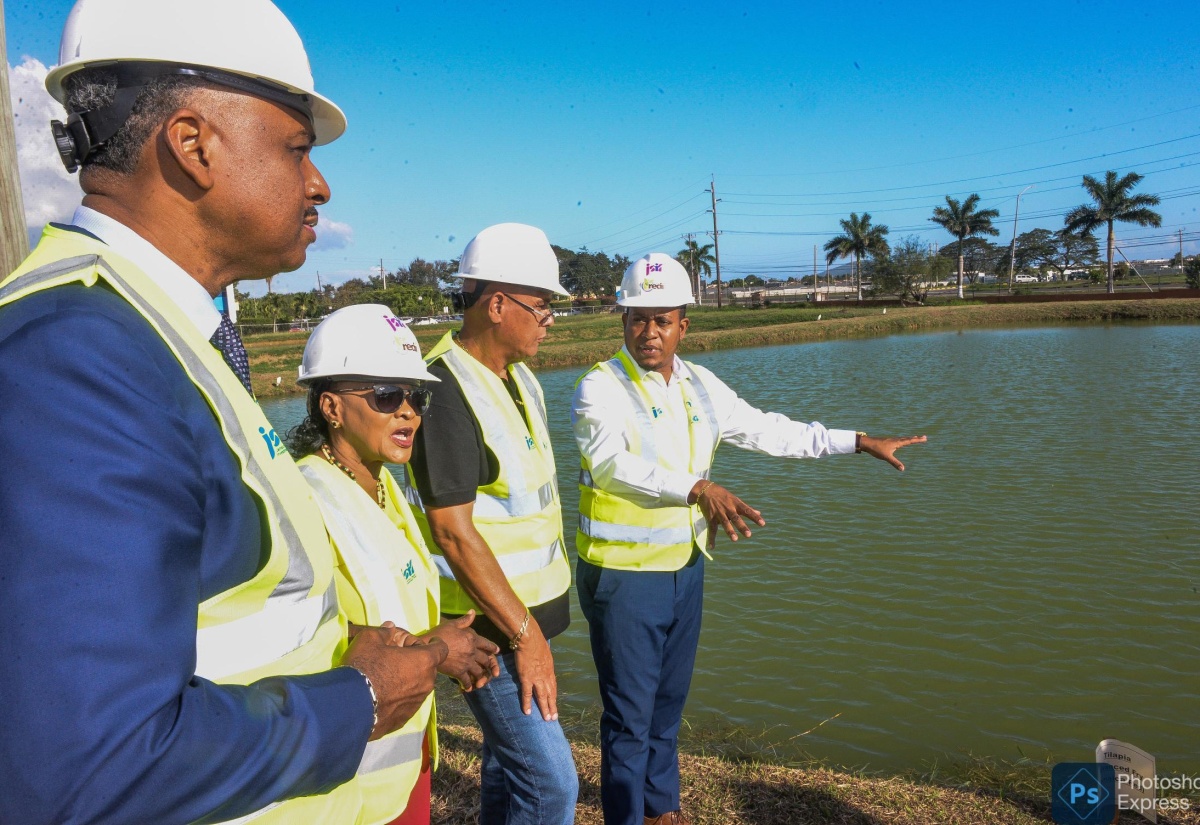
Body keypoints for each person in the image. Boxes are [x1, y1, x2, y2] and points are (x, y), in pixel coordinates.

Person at [0, 2, 442, 822]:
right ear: (194, 143)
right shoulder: (77, 355)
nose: (320, 184)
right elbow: (88, 767)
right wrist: (358, 698)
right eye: (297, 148)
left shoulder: (161, 332)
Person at [572, 253, 927, 825]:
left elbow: (767, 429)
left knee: (667, 707)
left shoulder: (699, 385)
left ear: (684, 323)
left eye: (662, 319)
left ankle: (662, 810)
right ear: (622, 320)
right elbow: (612, 466)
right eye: (638, 318)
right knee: (628, 718)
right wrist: (698, 488)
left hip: (685, 568)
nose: (649, 332)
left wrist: (856, 441)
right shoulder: (600, 387)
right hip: (623, 578)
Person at [288, 304, 502, 825]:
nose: (408, 412)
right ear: (331, 407)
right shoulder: (303, 497)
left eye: (415, 396)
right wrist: (434, 650)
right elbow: (301, 638)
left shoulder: (384, 485)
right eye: (387, 396)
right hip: (352, 779)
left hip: (404, 757)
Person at [405, 223, 579, 824]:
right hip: (492, 629)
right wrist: (525, 637)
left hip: (523, 616)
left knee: (510, 769)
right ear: (497, 305)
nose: (549, 318)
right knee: (553, 785)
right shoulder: (445, 389)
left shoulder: (520, 377)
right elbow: (453, 530)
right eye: (542, 305)